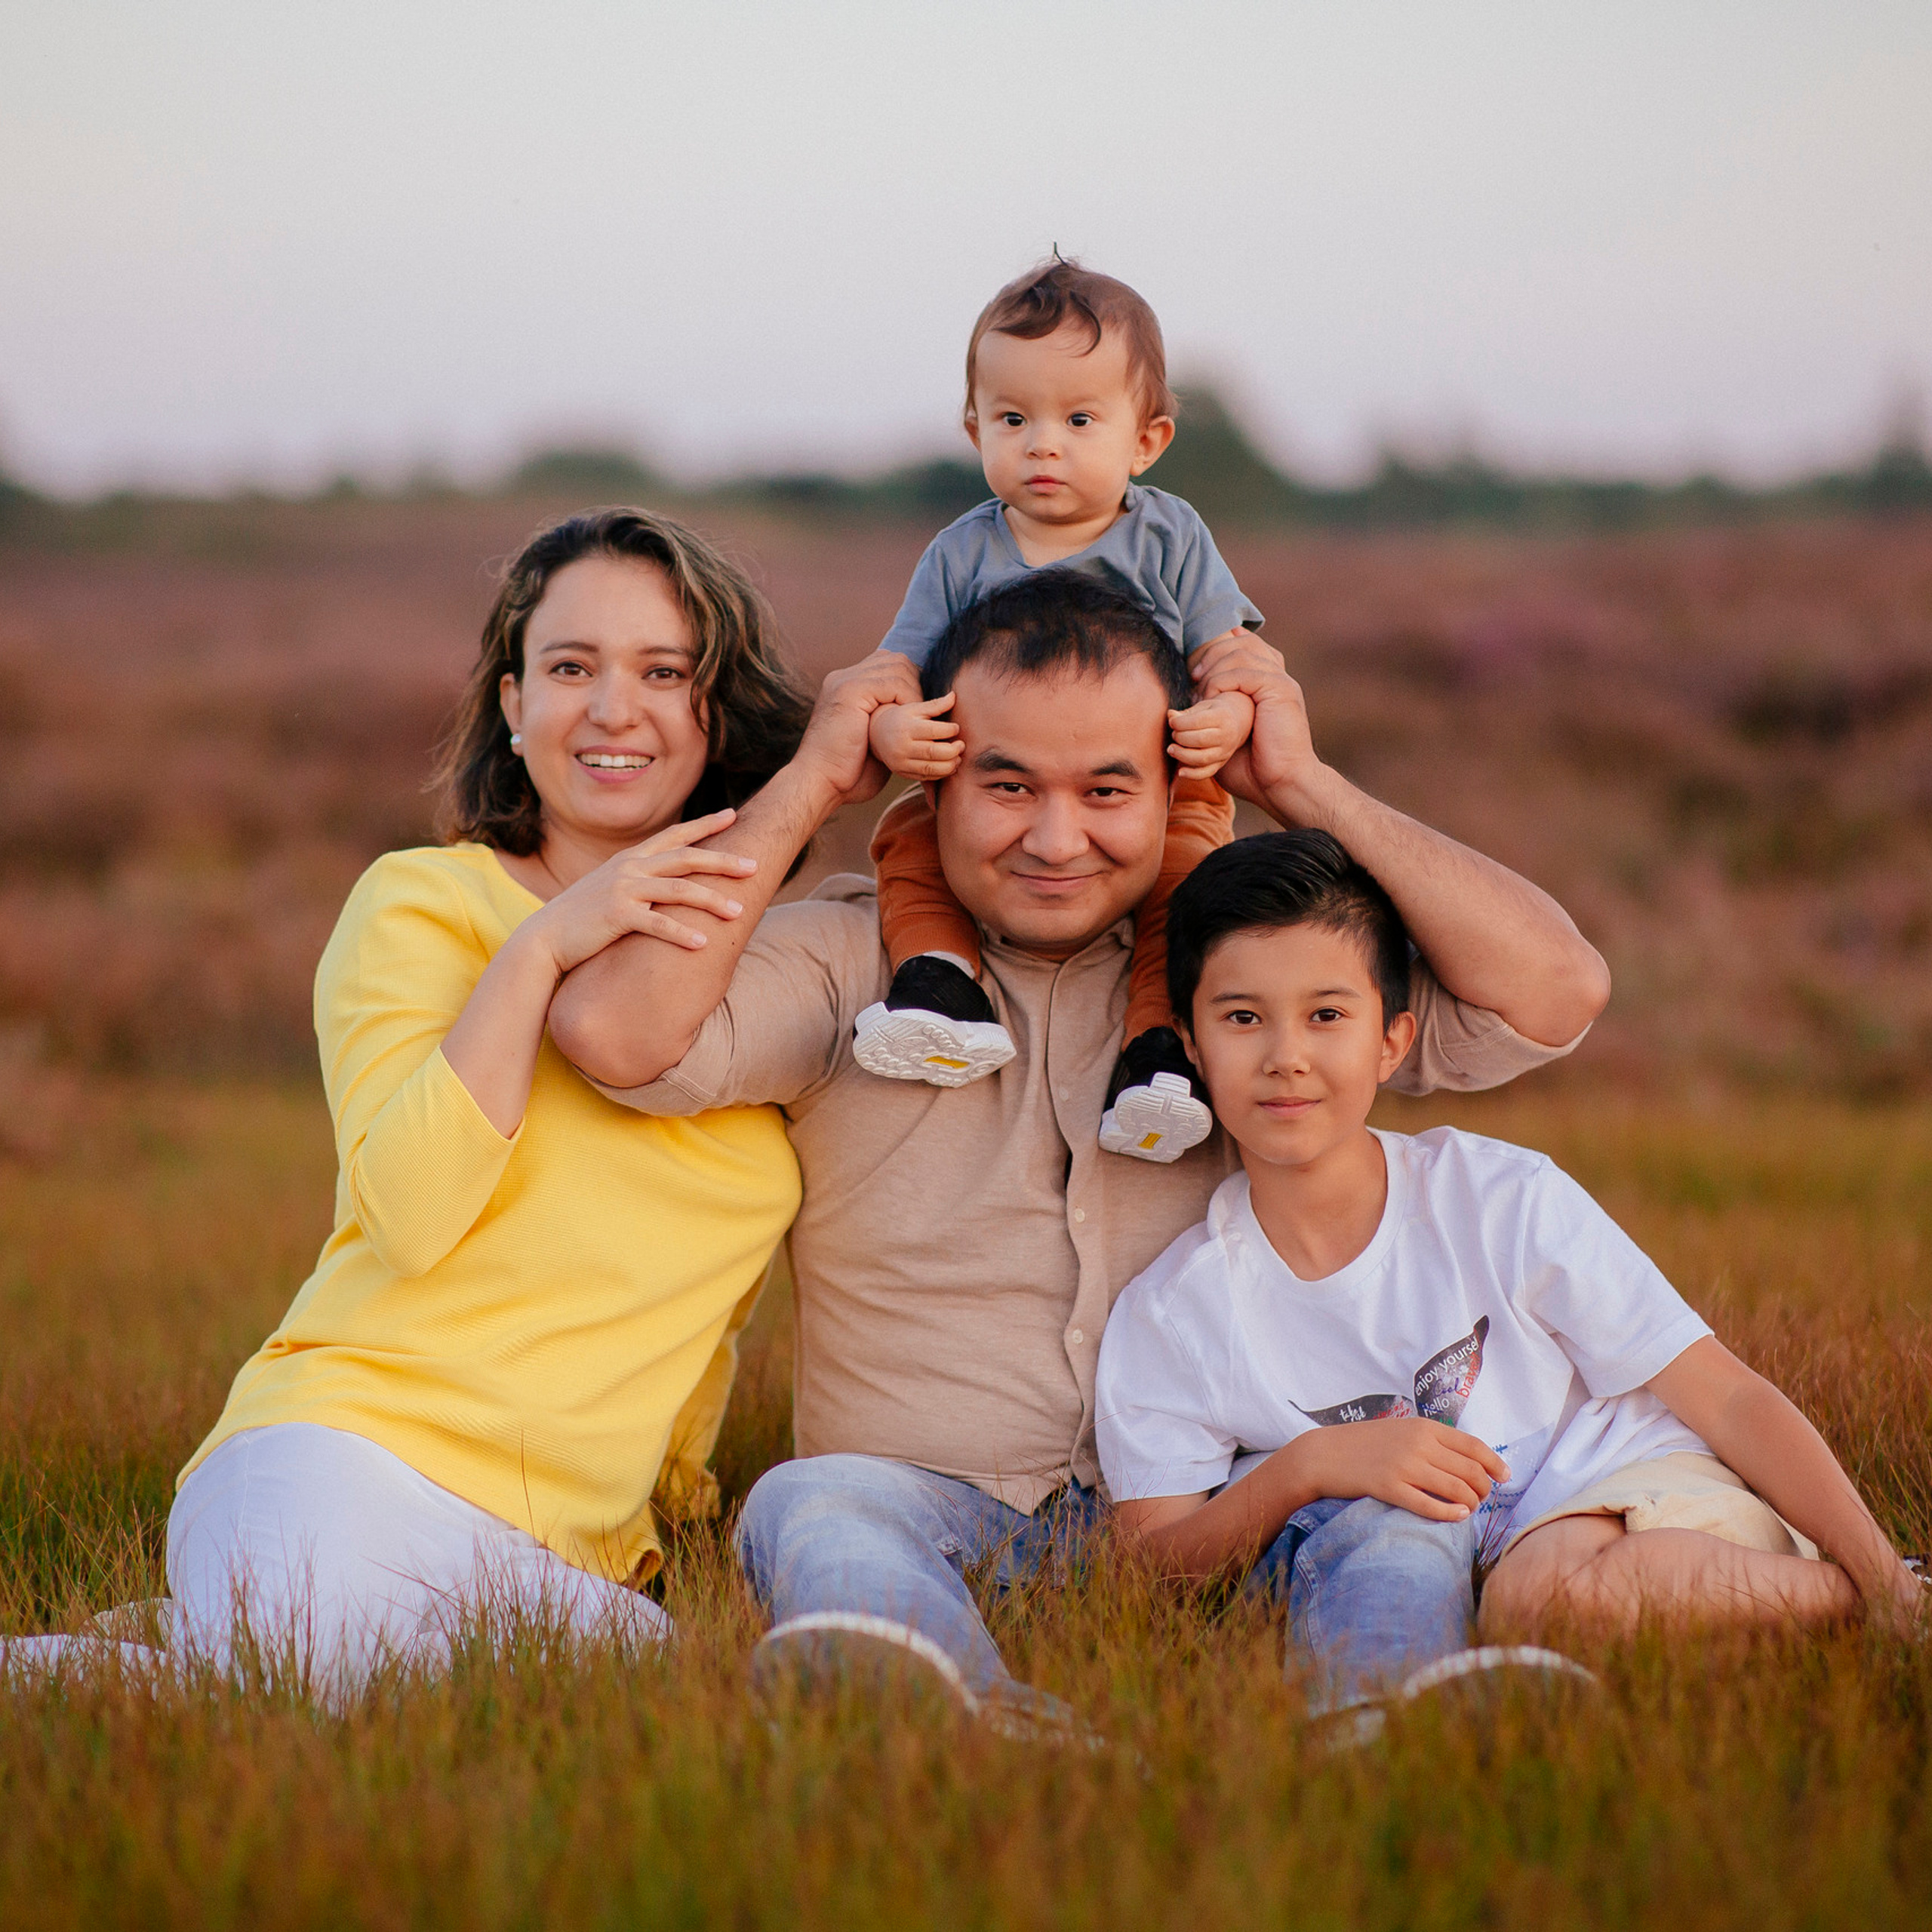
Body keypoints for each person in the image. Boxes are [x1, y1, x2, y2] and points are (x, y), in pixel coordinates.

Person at [546, 568, 1613, 1728]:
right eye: (1007, 784)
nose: (1057, 840)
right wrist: (814, 782)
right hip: (925, 1508)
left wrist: (1303, 783)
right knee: (809, 1503)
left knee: (1396, 1514)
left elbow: (1555, 993)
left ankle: (1383, 1727)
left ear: (1174, 787)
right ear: (935, 777)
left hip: (1225, 1508)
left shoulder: (1242, 984)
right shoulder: (849, 961)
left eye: (1109, 789)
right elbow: (616, 1033)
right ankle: (975, 1730)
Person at [4, 508, 811, 1697]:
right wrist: (539, 954)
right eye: (570, 668)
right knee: (323, 1687)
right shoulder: (423, 907)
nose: (612, 709)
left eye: (663, 673)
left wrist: (676, 1515)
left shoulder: (762, 983)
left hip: (550, 1553)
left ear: (715, 711)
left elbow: (702, 1320)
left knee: (662, 1696)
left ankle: (132, 1660)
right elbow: (413, 1212)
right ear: (511, 702)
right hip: (343, 1456)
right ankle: (216, 1639)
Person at [1098, 829, 1925, 1730]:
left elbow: (1725, 1398)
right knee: (1534, 1608)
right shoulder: (1178, 1309)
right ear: (1190, 1042)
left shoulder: (1497, 1198)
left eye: (1327, 1016)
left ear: (1392, 1039)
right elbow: (1148, 1564)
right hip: (1517, 1561)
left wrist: (1881, 1578)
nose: (1286, 1056)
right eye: (1243, 1018)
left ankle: (1881, 1597)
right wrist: (1306, 1467)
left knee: (1539, 1604)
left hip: (1642, 1493)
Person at [851, 256, 1263, 1164]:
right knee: (906, 847)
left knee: (1184, 893)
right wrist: (889, 729)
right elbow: (893, 667)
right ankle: (939, 989)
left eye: (1079, 420)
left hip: (1160, 787)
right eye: (1013, 419)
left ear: (1145, 440)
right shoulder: (963, 551)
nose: (1044, 445)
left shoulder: (1170, 536)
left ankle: (1157, 1057)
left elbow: (1230, 655)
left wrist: (1228, 716)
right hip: (985, 781)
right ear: (973, 429)